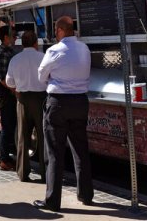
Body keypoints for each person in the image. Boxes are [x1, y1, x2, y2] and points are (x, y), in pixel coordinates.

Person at [33, 16, 93, 212]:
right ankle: (85, 194)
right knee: (80, 150)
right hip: (80, 102)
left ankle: (52, 200)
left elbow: (41, 76)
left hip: (58, 103)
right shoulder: (84, 49)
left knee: (55, 152)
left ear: (60, 30)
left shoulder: (54, 50)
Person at [5, 30, 47, 182]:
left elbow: (9, 82)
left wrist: (17, 91)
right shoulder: (43, 57)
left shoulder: (15, 59)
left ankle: (23, 172)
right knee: (43, 136)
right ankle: (45, 172)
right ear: (36, 43)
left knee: (23, 135)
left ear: (22, 44)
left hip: (22, 99)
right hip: (41, 98)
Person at [0, 25, 17, 171]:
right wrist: (14, 90)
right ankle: (4, 159)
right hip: (7, 96)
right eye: (13, 35)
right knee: (7, 127)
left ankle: (8, 157)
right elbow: (1, 78)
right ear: (5, 38)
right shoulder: (3, 53)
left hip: (11, 94)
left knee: (11, 127)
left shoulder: (10, 52)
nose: (15, 38)